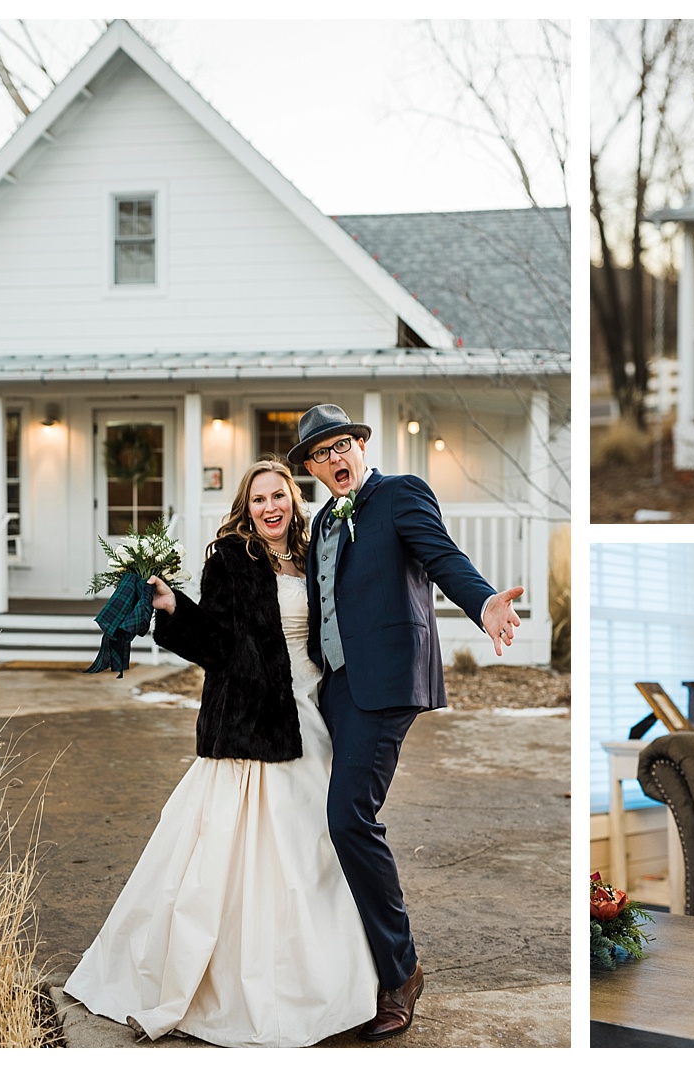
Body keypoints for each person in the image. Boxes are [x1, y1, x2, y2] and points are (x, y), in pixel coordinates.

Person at [65, 459, 377, 1046]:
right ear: (246, 506)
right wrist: (172, 606)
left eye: (278, 495)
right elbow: (215, 642)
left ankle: (333, 980)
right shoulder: (231, 559)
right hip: (253, 721)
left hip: (319, 710)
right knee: (251, 855)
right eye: (258, 499)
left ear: (294, 498)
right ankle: (240, 985)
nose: (269, 507)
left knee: (320, 846)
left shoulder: (316, 555)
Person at [290, 403, 524, 1040]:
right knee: (325, 818)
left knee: (349, 818)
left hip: (387, 683)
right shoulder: (322, 525)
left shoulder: (399, 495)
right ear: (310, 467)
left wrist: (484, 604)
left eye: (343, 446)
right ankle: (351, 964)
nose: (335, 460)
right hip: (334, 686)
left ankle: (401, 972)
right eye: (321, 453)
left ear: (362, 446)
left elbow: (442, 558)